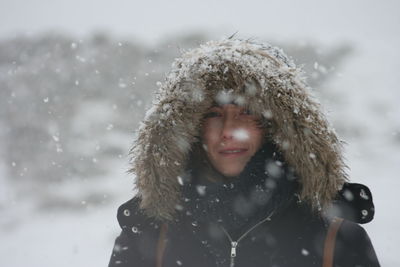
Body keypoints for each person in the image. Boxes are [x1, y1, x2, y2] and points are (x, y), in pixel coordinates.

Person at [108, 39, 380, 267]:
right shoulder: (149, 235)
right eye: (214, 114)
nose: (229, 130)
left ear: (276, 127)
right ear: (191, 128)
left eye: (247, 113)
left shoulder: (335, 238)